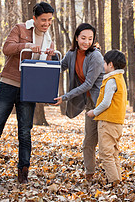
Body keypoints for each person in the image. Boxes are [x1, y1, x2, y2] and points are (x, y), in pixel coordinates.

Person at [0, 1, 55, 186]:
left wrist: (50, 55)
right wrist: (27, 45)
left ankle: (23, 173)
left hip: (30, 89)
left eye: (49, 20)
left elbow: (44, 65)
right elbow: (7, 48)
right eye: (43, 20)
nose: (46, 24)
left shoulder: (48, 37)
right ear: (34, 18)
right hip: (9, 84)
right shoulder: (19, 28)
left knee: (25, 132)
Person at [54, 23, 104, 182]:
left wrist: (65, 97)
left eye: (90, 39)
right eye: (83, 38)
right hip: (90, 104)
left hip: (103, 104)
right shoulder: (72, 54)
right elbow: (58, 68)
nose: (86, 42)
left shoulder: (95, 56)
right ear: (76, 38)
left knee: (106, 144)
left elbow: (89, 84)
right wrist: (49, 56)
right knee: (88, 141)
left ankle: (113, 176)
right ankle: (90, 175)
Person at [87, 50, 127, 186]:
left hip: (108, 122)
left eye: (104, 63)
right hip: (117, 122)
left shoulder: (111, 81)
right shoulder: (120, 80)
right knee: (113, 153)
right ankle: (118, 179)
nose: (103, 65)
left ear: (110, 64)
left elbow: (106, 102)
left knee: (106, 154)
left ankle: (114, 181)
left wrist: (94, 112)